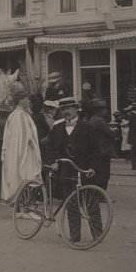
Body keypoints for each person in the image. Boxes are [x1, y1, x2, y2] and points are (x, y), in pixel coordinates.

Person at [46, 97, 101, 243]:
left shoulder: (87, 127)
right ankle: (75, 236)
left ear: (77, 109)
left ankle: (98, 234)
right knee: (71, 204)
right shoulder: (57, 128)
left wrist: (92, 167)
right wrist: (53, 162)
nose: (66, 112)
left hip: (84, 170)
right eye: (63, 109)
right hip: (66, 171)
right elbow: (49, 146)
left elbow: (96, 150)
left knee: (90, 203)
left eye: (69, 108)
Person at [1, 85, 42, 202]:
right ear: (21, 101)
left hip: (24, 152)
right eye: (27, 99)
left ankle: (23, 206)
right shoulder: (19, 116)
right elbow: (21, 139)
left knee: (24, 179)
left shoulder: (21, 114)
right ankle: (21, 207)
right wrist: (22, 156)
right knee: (22, 177)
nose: (29, 101)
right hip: (22, 154)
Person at [85, 99, 116, 191]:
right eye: (104, 109)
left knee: (99, 172)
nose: (106, 111)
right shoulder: (99, 120)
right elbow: (110, 134)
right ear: (99, 110)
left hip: (98, 150)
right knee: (104, 173)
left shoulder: (92, 119)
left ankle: (98, 192)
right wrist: (114, 131)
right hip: (103, 151)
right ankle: (101, 193)